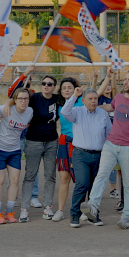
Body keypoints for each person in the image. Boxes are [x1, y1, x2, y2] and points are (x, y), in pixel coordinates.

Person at [83, 70, 129, 230]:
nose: (125, 82)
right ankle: (92, 206)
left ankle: (126, 217)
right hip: (111, 144)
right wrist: (97, 106)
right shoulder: (119, 97)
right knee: (102, 175)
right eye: (125, 79)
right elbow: (110, 106)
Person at [61, 87, 112, 228]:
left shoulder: (103, 113)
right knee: (82, 183)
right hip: (80, 154)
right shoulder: (77, 112)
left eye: (95, 99)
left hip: (99, 155)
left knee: (95, 187)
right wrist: (74, 96)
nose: (93, 101)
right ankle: (75, 214)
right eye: (90, 99)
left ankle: (92, 215)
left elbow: (109, 133)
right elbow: (64, 112)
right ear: (83, 100)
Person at [21, 74, 60, 223]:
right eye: (44, 83)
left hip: (51, 141)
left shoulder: (58, 99)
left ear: (54, 87)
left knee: (50, 175)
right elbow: (17, 96)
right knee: (30, 175)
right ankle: (24, 208)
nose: (46, 86)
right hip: (33, 141)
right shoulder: (34, 98)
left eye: (50, 84)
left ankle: (48, 207)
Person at [0, 88, 32, 224]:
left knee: (15, 180)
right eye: (20, 98)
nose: (23, 101)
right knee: (0, 180)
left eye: (26, 99)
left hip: (15, 150)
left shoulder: (30, 112)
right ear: (15, 100)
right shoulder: (6, 108)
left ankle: (9, 212)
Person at [50, 77, 80, 222]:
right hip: (63, 143)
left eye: (70, 87)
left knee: (81, 179)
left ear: (75, 89)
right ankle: (60, 210)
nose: (67, 90)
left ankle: (83, 209)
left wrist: (96, 78)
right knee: (64, 178)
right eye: (64, 88)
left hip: (79, 144)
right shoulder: (58, 104)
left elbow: (97, 92)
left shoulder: (80, 102)